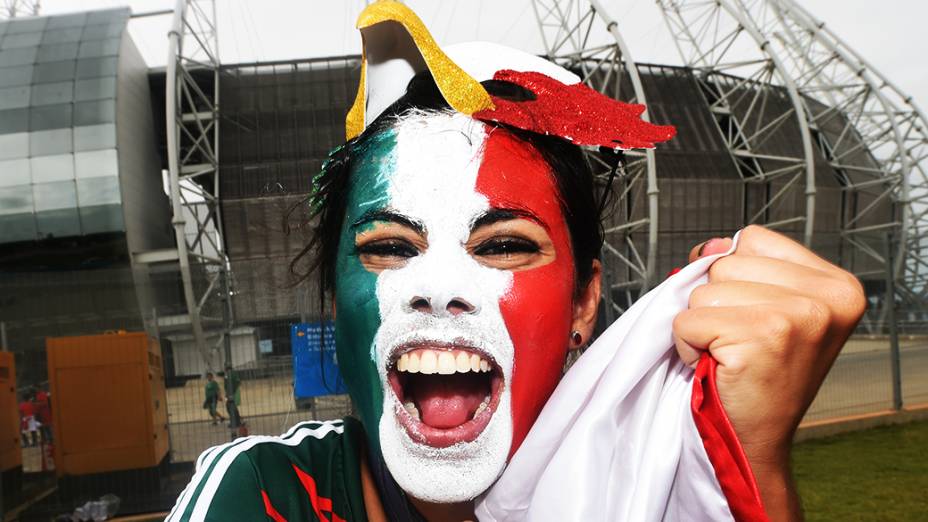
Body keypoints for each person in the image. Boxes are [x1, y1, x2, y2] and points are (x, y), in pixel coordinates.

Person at [168, 3, 866, 521]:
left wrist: (749, 467)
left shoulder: (650, 488)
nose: (438, 289)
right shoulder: (261, 494)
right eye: (388, 248)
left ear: (585, 303)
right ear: (333, 303)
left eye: (503, 245)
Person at [223, 365, 242, 429]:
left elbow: (227, 384)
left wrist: (230, 391)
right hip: (233, 392)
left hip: (230, 393)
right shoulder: (234, 373)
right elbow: (238, 382)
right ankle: (237, 422)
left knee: (230, 407)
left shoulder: (228, 374)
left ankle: (234, 422)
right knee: (233, 407)